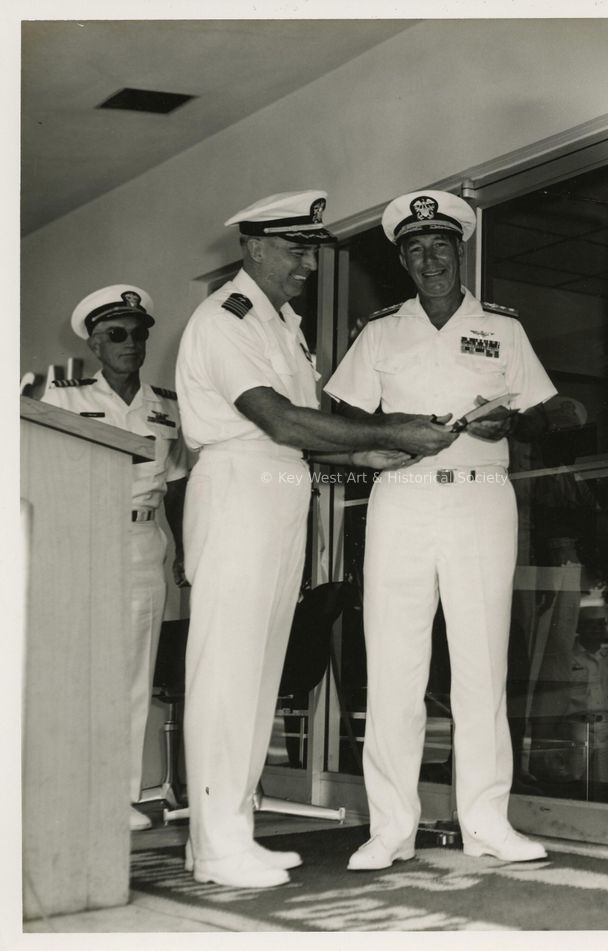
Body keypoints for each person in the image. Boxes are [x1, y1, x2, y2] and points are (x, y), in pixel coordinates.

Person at [175, 190, 456, 890]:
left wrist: (366, 458)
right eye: (297, 248)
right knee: (226, 674)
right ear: (254, 246)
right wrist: (389, 430)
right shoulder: (225, 319)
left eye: (312, 248)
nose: (309, 262)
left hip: (277, 493)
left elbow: (303, 437)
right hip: (239, 491)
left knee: (258, 673)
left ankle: (231, 829)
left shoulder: (283, 324)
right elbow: (280, 420)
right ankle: (214, 845)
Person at [324, 190, 557, 871]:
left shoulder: (504, 329)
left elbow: (548, 413)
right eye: (416, 250)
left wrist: (509, 422)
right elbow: (338, 416)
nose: (431, 259)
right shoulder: (380, 331)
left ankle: (487, 821)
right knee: (394, 664)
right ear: (404, 259)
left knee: (482, 666)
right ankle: (392, 827)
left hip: (481, 499)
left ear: (462, 251)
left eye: (442, 246)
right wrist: (379, 439)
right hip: (402, 499)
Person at [41, 284, 188, 832]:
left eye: (138, 333)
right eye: (116, 335)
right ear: (96, 345)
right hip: (80, 540)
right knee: (75, 672)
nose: (130, 342)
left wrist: (184, 550)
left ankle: (117, 796)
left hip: (143, 544)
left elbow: (174, 486)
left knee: (131, 675)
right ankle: (60, 787)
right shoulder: (63, 396)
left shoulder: (167, 407)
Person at [559, 605, 608, 784]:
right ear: (579, 628)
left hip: (603, 722)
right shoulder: (568, 657)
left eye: (600, 625)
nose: (596, 630)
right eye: (590, 625)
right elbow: (559, 692)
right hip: (577, 723)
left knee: (600, 777)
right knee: (573, 775)